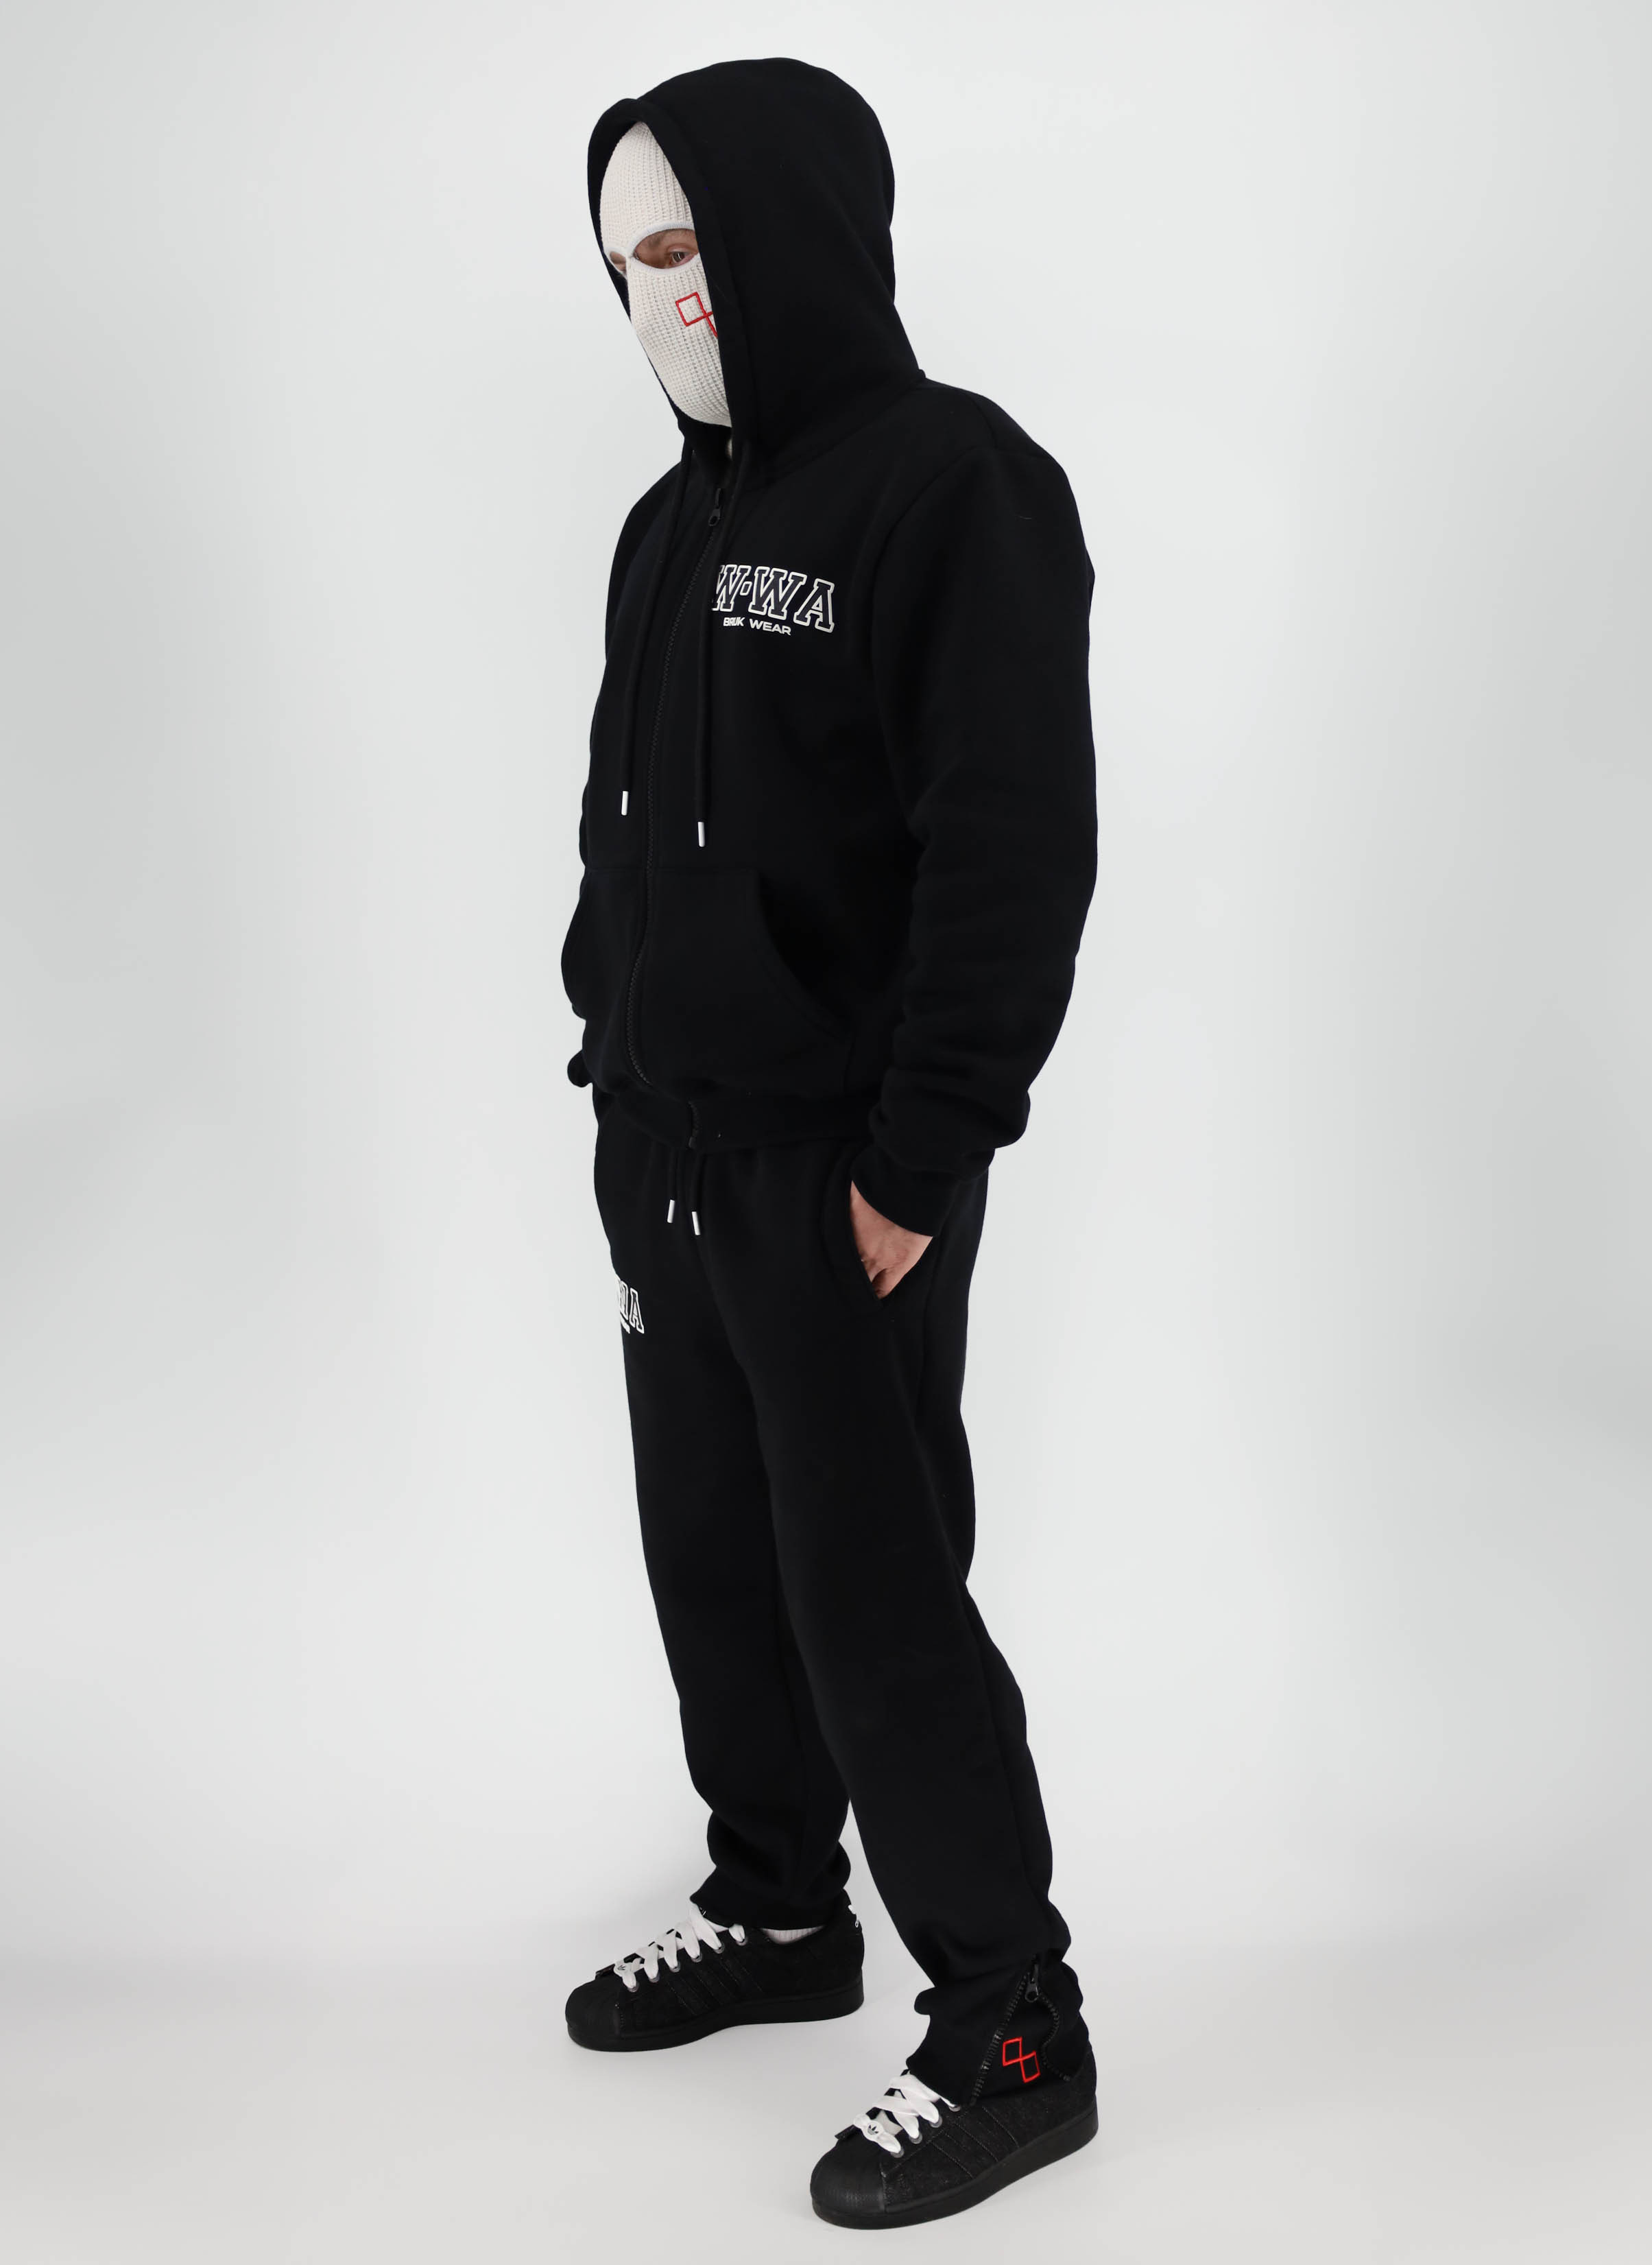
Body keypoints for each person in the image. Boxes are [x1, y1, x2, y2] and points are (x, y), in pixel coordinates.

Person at [560, 58, 1099, 2230]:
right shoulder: (665, 524)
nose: (663, 301)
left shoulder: (953, 486)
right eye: (626, 266)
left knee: (872, 1594)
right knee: (712, 1556)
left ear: (797, 234)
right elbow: (617, 819)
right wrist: (607, 1065)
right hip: (666, 1146)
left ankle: (1012, 2026)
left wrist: (918, 1158)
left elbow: (1011, 850)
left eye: (691, 246)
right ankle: (781, 1909)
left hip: (835, 1171)